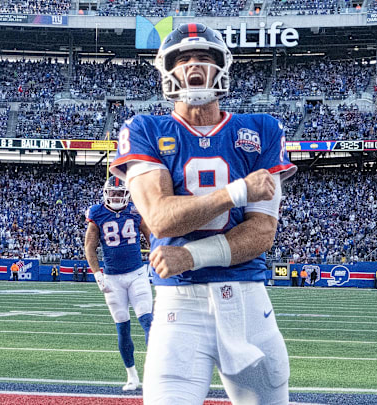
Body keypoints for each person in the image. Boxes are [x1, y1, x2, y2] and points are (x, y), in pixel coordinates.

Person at [110, 22, 296, 405]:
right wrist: (238, 191)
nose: (194, 66)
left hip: (248, 305)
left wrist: (189, 255)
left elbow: (262, 233)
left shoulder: (261, 128)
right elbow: (160, 218)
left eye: (204, 57)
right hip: (180, 309)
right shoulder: (144, 127)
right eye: (183, 58)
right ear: (167, 69)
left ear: (222, 66)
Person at [85, 176, 153, 391]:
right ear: (106, 194)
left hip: (137, 274)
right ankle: (132, 376)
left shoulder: (135, 210)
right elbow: (89, 246)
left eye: (119, 192)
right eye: (113, 193)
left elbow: (151, 236)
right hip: (113, 278)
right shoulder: (97, 213)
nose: (116, 196)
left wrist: (154, 259)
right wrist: (97, 274)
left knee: (148, 321)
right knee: (123, 328)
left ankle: (155, 374)